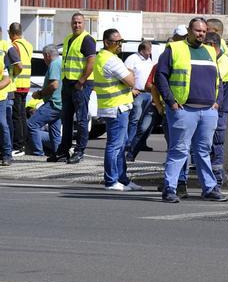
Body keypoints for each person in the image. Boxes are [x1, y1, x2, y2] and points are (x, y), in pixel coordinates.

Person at [155, 17, 224, 203]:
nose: (201, 34)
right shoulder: (175, 48)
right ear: (189, 30)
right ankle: (170, 188)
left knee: (203, 151)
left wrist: (217, 101)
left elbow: (219, 80)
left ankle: (209, 188)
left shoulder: (210, 51)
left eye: (203, 31)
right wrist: (171, 102)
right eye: (197, 30)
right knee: (179, 150)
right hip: (184, 109)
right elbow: (160, 76)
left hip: (208, 110)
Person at [93, 28, 144, 191]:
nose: (120, 45)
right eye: (117, 42)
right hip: (117, 107)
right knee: (115, 145)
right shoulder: (111, 60)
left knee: (120, 145)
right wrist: (130, 74)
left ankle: (123, 179)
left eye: (121, 41)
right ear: (107, 42)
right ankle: (111, 180)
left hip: (113, 106)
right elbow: (131, 81)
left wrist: (127, 74)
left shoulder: (103, 57)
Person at [56, 13, 97, 164]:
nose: (77, 25)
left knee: (81, 119)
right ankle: (63, 150)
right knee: (66, 118)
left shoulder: (87, 39)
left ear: (84, 23)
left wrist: (81, 81)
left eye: (79, 23)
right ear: (71, 23)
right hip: (68, 82)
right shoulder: (68, 38)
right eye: (74, 23)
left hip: (81, 84)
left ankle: (79, 151)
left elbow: (91, 62)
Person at [207, 32, 228, 186]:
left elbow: (214, 81)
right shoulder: (213, 59)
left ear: (212, 45)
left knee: (217, 144)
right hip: (208, 109)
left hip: (219, 110)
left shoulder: (224, 61)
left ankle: (217, 179)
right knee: (206, 145)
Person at [124, 41, 158, 163]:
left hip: (149, 93)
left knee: (147, 123)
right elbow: (125, 74)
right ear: (142, 50)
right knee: (135, 119)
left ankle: (141, 143)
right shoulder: (132, 59)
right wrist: (131, 89)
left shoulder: (149, 60)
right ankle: (129, 143)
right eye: (148, 50)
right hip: (138, 93)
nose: (150, 52)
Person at [26, 45, 62, 158]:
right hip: (60, 103)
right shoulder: (60, 63)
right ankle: (58, 154)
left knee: (32, 124)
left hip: (53, 103)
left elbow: (54, 85)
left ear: (47, 55)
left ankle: (38, 153)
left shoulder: (54, 64)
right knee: (54, 132)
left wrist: (40, 94)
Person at [6, 23, 33, 155]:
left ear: (11, 33)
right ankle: (23, 143)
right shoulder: (28, 44)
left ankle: (18, 145)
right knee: (22, 115)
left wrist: (14, 74)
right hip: (26, 84)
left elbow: (19, 66)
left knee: (16, 116)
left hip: (17, 84)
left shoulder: (14, 46)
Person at [0, 59, 10, 165]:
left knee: (2, 124)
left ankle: (7, 155)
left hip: (0, 98)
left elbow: (6, 80)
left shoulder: (1, 60)